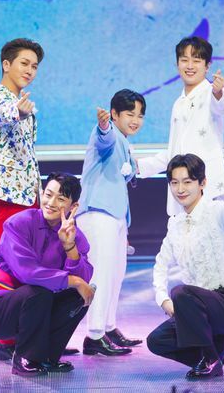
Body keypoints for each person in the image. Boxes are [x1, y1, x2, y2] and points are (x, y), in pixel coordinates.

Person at [146, 154, 224, 379]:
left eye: (187, 182)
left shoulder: (216, 211)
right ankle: (222, 346)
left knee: (181, 293)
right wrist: (162, 299)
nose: (180, 189)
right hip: (197, 309)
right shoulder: (175, 224)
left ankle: (210, 360)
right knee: (156, 340)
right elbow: (161, 264)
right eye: (174, 182)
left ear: (202, 183)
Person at [0, 172, 95, 377]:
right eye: (48, 195)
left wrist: (70, 248)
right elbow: (27, 273)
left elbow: (84, 279)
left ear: (73, 206)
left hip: (38, 306)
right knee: (39, 291)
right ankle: (24, 358)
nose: (51, 203)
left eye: (61, 199)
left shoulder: (74, 235)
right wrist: (73, 280)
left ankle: (47, 358)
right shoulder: (18, 223)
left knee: (78, 296)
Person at [76, 89, 145, 355]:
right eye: (130, 114)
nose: (135, 120)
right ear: (114, 114)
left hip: (115, 216)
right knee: (102, 274)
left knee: (116, 273)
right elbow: (104, 138)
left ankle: (108, 326)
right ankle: (94, 335)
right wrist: (104, 126)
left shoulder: (125, 142)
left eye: (140, 115)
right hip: (98, 213)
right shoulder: (108, 134)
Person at [138, 36, 224, 216]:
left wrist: (219, 91)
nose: (190, 66)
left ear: (207, 66)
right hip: (181, 189)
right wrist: (141, 166)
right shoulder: (178, 103)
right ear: (177, 64)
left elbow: (221, 106)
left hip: (207, 186)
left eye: (196, 61)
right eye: (184, 60)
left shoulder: (211, 92)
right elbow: (175, 151)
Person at [0, 38, 44, 240]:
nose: (30, 71)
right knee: (14, 255)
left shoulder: (18, 100)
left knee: (29, 255)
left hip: (28, 194)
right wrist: (18, 112)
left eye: (34, 66)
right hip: (9, 195)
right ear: (6, 64)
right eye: (24, 63)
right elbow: (5, 112)